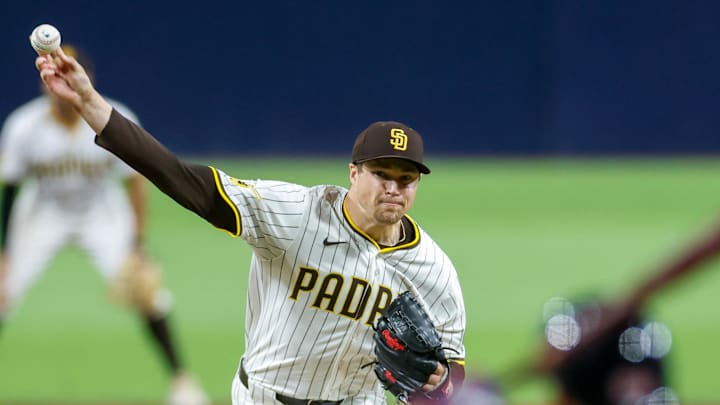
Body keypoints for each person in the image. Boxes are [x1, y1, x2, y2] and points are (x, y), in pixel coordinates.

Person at [35, 47, 467, 404]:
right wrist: (91, 104)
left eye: (405, 179)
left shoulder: (433, 269)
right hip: (265, 397)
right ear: (353, 173)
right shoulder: (296, 214)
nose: (394, 188)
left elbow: (451, 367)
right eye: (381, 174)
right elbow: (186, 181)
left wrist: (440, 384)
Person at [1, 45, 209, 405]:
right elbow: (12, 189)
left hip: (101, 212)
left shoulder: (111, 116)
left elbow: (135, 182)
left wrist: (138, 245)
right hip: (42, 213)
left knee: (148, 294)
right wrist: (4, 252)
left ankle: (182, 383)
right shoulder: (23, 126)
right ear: (46, 85)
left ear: (87, 78)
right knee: (1, 293)